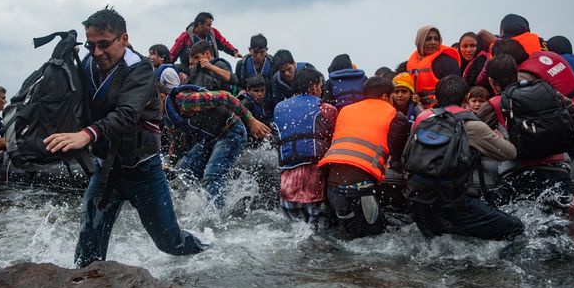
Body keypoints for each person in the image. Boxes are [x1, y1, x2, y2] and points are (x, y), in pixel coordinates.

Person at [44, 8, 205, 267]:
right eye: (91, 45)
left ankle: (206, 247)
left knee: (170, 243)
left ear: (124, 39)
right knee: (88, 245)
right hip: (106, 171)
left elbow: (127, 114)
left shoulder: (140, 70)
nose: (97, 52)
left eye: (104, 44)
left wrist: (87, 135)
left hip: (144, 171)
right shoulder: (87, 64)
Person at [405, 75, 524, 240]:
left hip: (417, 200)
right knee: (516, 228)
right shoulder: (472, 125)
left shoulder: (422, 119)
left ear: (436, 97)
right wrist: (500, 136)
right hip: (452, 203)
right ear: (466, 97)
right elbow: (510, 153)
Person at [478, 54, 574, 209]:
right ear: (516, 72)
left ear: (491, 82)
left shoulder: (494, 105)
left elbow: (471, 136)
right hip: (559, 170)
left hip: (520, 176)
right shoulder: (549, 92)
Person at [318, 76, 409, 239]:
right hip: (360, 187)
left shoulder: (345, 110)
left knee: (347, 238)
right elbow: (398, 157)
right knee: (374, 240)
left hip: (331, 185)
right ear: (385, 97)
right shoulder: (395, 116)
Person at [165, 83, 271, 209]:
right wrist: (170, 164)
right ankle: (199, 206)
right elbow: (175, 142)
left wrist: (251, 120)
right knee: (184, 168)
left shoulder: (186, 101)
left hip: (231, 131)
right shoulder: (166, 115)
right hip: (210, 138)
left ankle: (217, 216)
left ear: (161, 96)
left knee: (212, 174)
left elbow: (224, 96)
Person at [272, 68, 337, 230]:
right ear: (314, 87)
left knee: (295, 236)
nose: (321, 90)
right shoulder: (326, 109)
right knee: (318, 240)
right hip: (314, 188)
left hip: (287, 190)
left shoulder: (279, 108)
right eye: (320, 86)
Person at [406, 26, 461, 109]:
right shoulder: (409, 63)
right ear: (420, 41)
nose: (433, 42)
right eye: (428, 39)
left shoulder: (448, 62)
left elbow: (455, 91)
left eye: (436, 39)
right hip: (415, 109)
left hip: (439, 111)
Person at [169, 12, 242, 67]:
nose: (210, 28)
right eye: (208, 25)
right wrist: (166, 67)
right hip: (190, 72)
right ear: (200, 24)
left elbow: (224, 43)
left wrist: (234, 52)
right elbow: (173, 54)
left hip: (212, 69)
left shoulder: (213, 33)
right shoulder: (185, 37)